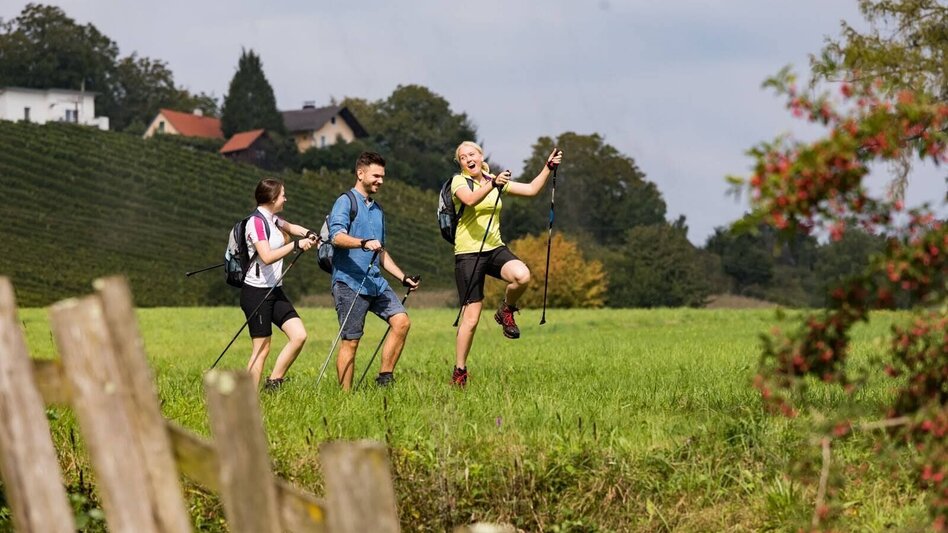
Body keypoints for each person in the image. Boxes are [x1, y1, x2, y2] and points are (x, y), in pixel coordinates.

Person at [450, 141, 563, 386]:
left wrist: (547, 167)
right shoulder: (459, 182)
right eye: (462, 157)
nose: (468, 159)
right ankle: (459, 372)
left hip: (494, 249)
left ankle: (506, 310)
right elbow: (469, 200)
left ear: (481, 157)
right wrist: (493, 184)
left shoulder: (493, 178)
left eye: (472, 154)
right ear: (460, 164)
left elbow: (532, 190)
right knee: (471, 318)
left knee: (522, 275)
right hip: (468, 254)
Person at [329, 151, 420, 390]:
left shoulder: (378, 209)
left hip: (375, 281)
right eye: (376, 175)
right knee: (351, 341)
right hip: (349, 282)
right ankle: (345, 397)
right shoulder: (345, 202)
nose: (381, 180)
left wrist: (403, 277)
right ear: (360, 174)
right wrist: (362, 242)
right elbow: (336, 237)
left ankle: (384, 379)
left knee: (401, 322)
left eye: (382, 176)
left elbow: (381, 251)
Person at [242, 178, 318, 391]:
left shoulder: (272, 219)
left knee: (299, 335)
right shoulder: (255, 222)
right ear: (272, 198)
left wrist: (309, 234)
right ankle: (248, 400)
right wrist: (295, 245)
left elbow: (291, 227)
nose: (286, 198)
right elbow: (266, 257)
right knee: (262, 348)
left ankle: (273, 382)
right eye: (283, 194)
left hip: (275, 290)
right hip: (256, 293)